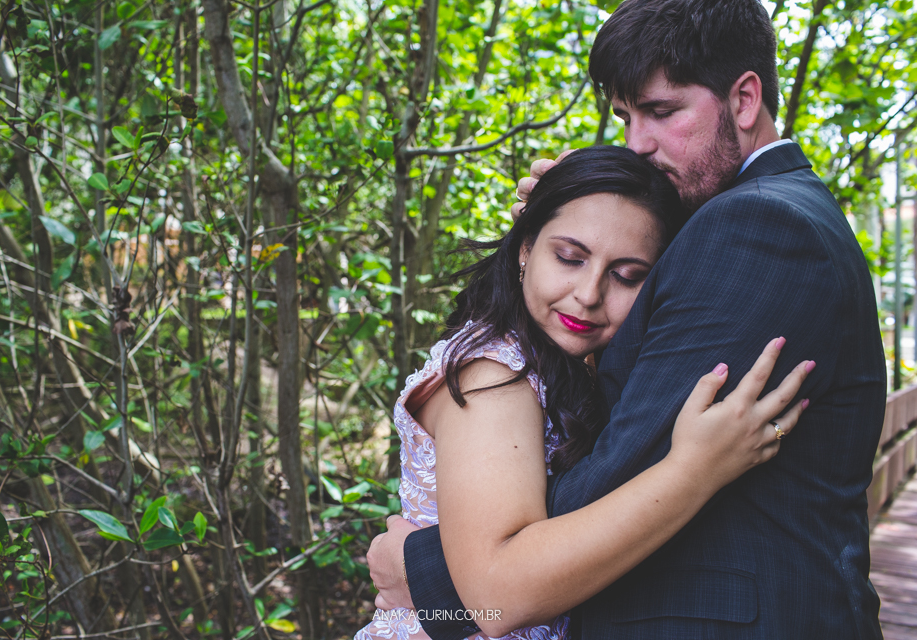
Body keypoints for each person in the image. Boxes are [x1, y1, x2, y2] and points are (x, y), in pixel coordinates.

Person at [367, 1, 886, 638]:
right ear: (526, 247)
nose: (636, 142)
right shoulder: (497, 367)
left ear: (745, 98)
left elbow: (624, 467)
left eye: (662, 112)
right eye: (624, 116)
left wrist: (432, 570)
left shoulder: (758, 226)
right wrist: (589, 206)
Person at [356, 146, 812, 640]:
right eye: (569, 257)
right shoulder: (495, 375)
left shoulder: (576, 366)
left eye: (627, 275)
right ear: (525, 247)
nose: (589, 293)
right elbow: (494, 599)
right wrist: (695, 471)